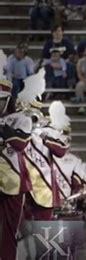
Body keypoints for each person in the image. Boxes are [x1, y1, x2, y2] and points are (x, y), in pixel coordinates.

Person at [0, 77, 33, 260]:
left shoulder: (22, 119)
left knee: (9, 232)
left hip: (13, 182)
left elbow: (21, 143)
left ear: (7, 100)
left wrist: (2, 127)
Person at [23, 100, 70, 221]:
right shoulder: (15, 132)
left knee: (43, 228)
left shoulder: (47, 132)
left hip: (44, 186)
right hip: (21, 187)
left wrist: (45, 138)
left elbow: (61, 151)